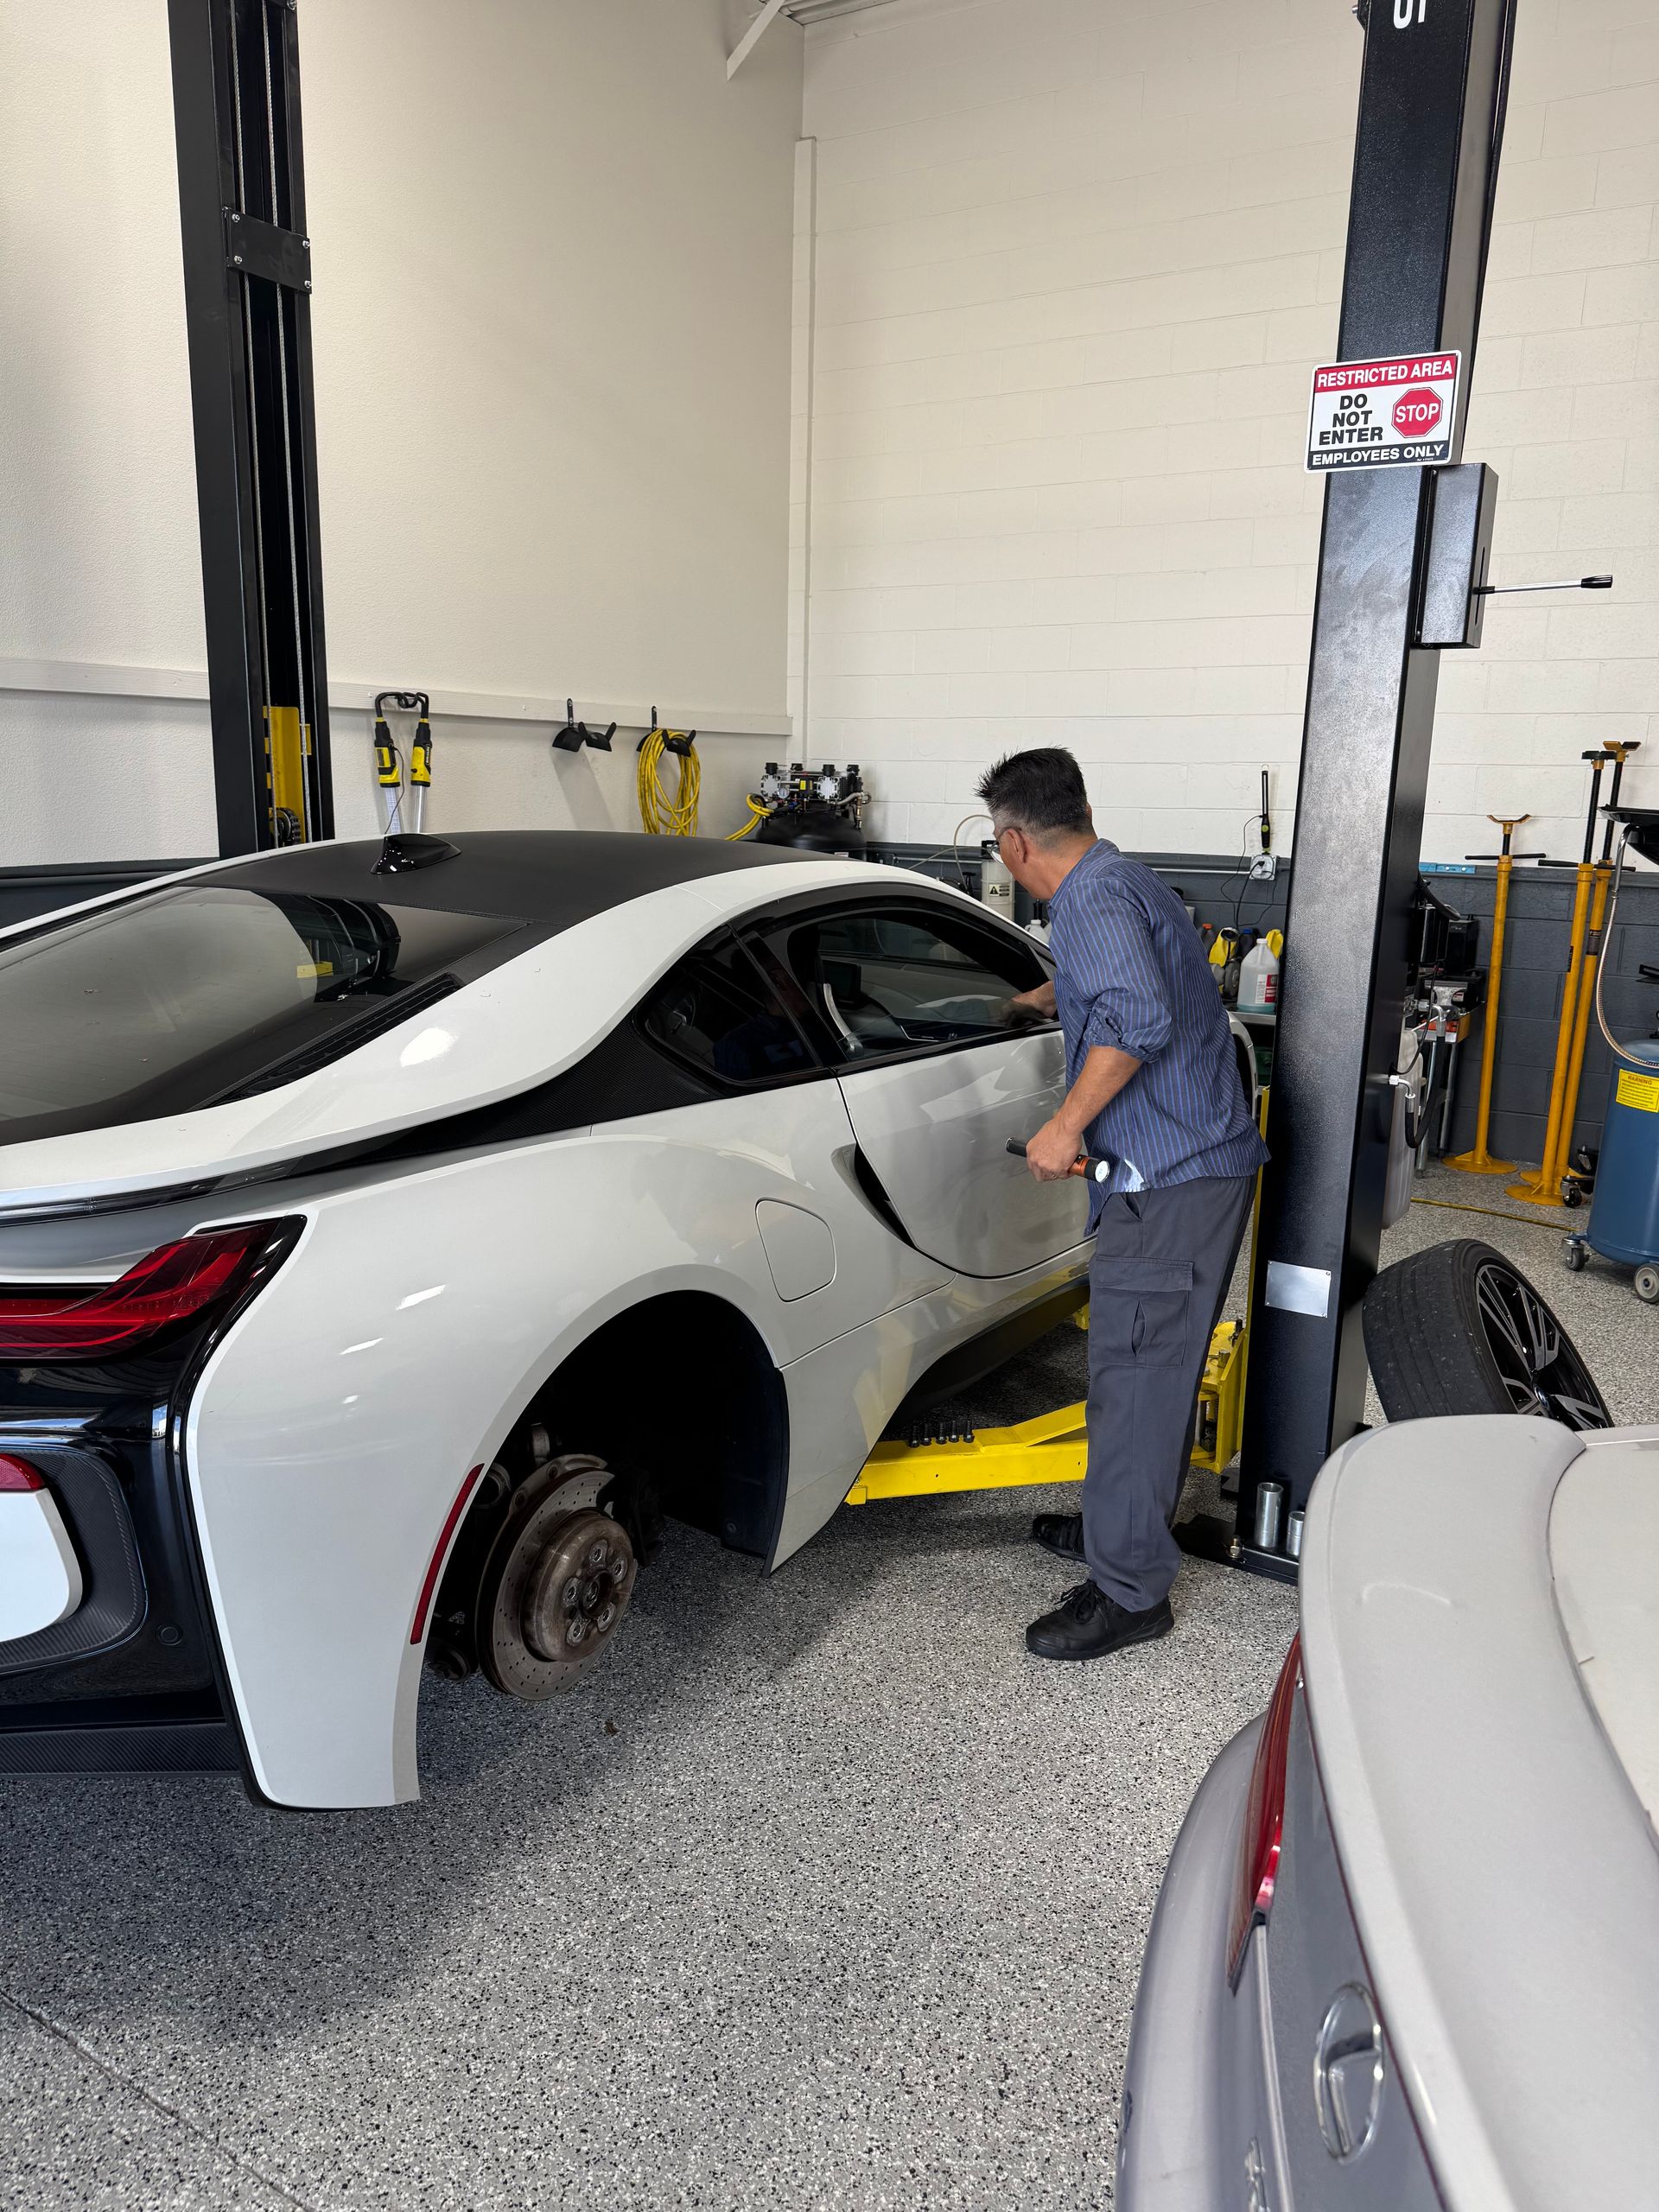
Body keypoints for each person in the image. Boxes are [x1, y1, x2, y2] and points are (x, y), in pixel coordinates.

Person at [980, 747, 1268, 1662]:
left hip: (1172, 1181)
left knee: (1138, 1381)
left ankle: (1130, 1589)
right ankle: (1122, 1525)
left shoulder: (1089, 903)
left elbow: (1138, 1020)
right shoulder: (1119, 878)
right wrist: (1044, 996)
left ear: (1016, 842)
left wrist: (1064, 1126)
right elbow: (1129, 982)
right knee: (1142, 1375)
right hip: (1194, 1168)